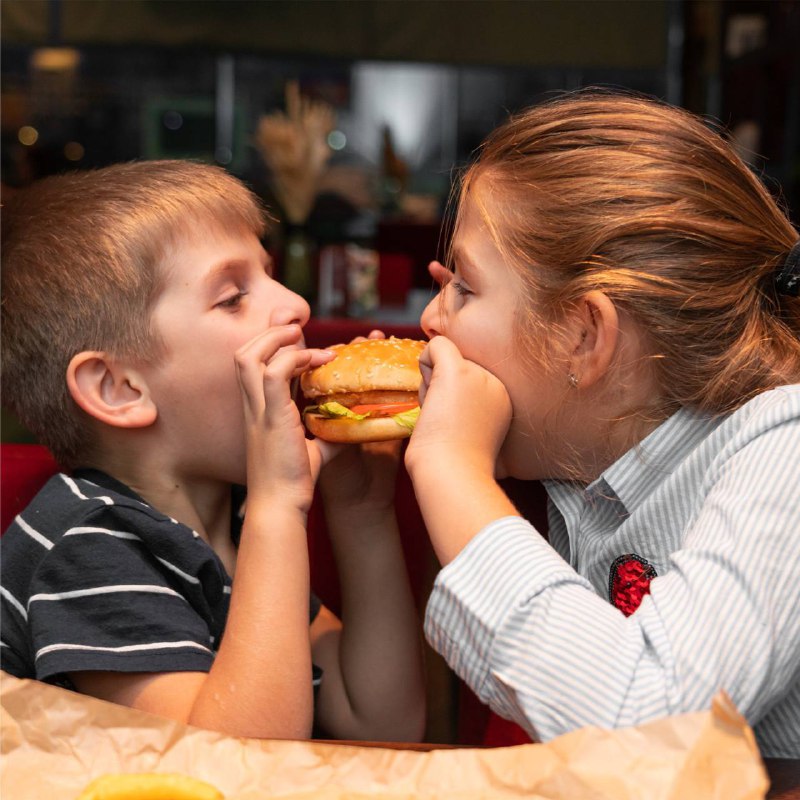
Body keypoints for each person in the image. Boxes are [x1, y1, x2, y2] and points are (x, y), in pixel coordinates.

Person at [406, 89, 800, 758]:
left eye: (464, 289)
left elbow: (651, 732)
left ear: (584, 337)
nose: (430, 322)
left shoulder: (784, 453)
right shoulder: (581, 468)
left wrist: (450, 466)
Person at [0, 159, 426, 743]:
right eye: (232, 297)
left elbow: (382, 724)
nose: (295, 305)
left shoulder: (231, 516)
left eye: (271, 273)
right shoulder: (86, 543)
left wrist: (363, 514)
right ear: (119, 388)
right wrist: (279, 510)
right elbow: (234, 765)